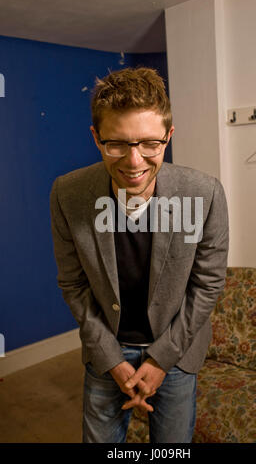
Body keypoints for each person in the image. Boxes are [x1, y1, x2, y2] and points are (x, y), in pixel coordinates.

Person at [50, 67, 229, 443]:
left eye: (150, 144)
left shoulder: (206, 192)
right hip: (105, 350)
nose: (134, 163)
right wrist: (111, 359)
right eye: (117, 144)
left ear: (169, 136)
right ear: (96, 138)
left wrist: (162, 358)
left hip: (177, 352)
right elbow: (73, 284)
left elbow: (208, 283)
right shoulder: (67, 194)